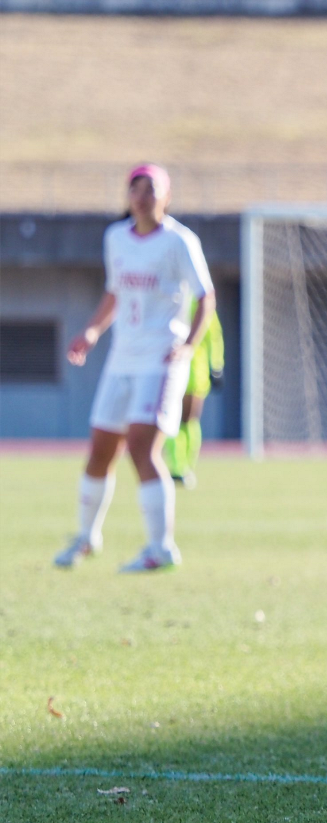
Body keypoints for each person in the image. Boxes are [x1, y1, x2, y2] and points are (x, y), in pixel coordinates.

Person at [54, 164, 216, 573]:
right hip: (121, 359)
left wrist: (188, 346)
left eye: (151, 190)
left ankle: (161, 548)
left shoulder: (180, 241)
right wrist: (92, 331)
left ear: (167, 197)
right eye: (136, 189)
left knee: (143, 448)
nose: (142, 197)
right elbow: (115, 291)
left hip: (160, 361)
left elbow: (206, 296)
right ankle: (87, 536)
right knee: (100, 449)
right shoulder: (116, 237)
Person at [161, 295, 224, 489]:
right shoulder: (172, 298)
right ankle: (177, 467)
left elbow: (213, 335)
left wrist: (216, 366)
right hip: (174, 368)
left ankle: (185, 467)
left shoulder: (198, 302)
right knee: (174, 419)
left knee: (187, 420)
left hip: (194, 371)